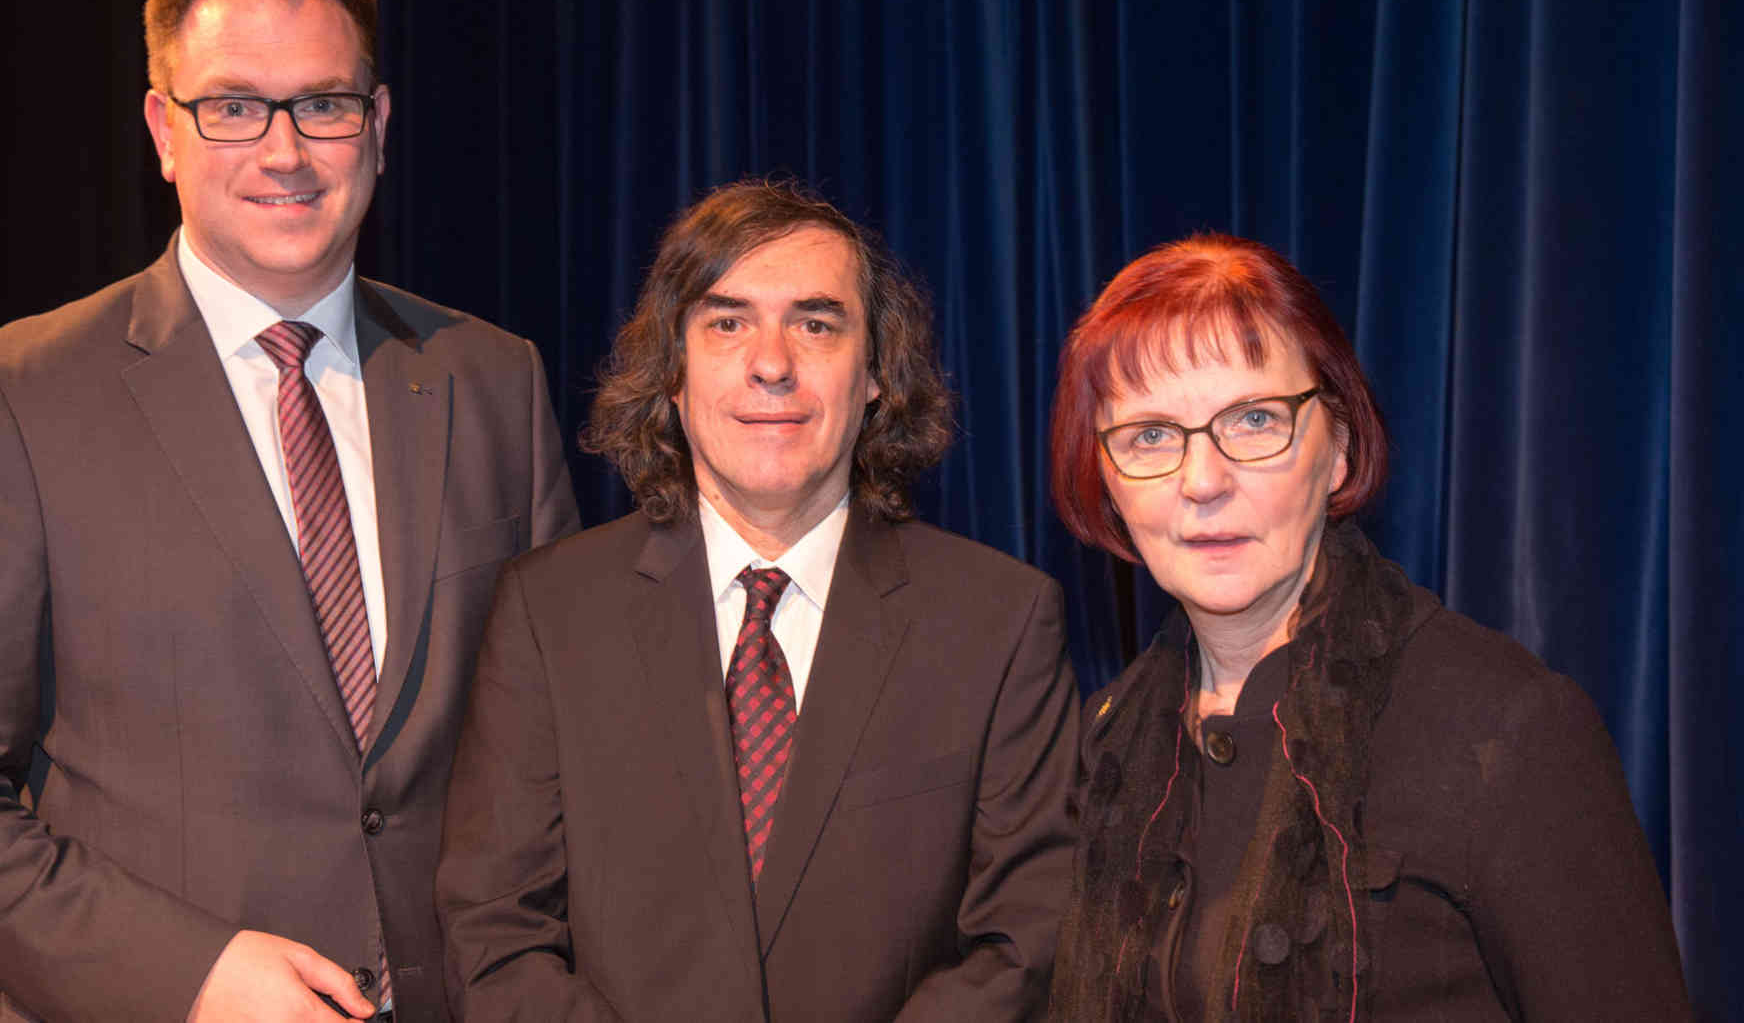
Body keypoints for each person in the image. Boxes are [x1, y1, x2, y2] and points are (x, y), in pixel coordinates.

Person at [0, 0, 579, 1023]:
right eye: (232, 106)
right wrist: (182, 973)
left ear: (376, 128)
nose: (284, 151)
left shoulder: (490, 381)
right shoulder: (18, 396)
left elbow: (556, 752)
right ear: (162, 132)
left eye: (323, 105)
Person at [436, 178, 1081, 1022]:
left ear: (878, 374)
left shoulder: (1001, 622)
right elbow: (495, 935)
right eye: (727, 322)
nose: (771, 363)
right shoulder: (546, 613)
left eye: (816, 324)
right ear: (671, 371)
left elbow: (1022, 945)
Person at [1043, 233, 1690, 1020]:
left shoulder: (1508, 728)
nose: (1202, 480)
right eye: (1150, 434)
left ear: (1340, 449)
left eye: (1252, 420)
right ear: (1106, 480)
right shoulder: (1108, 739)